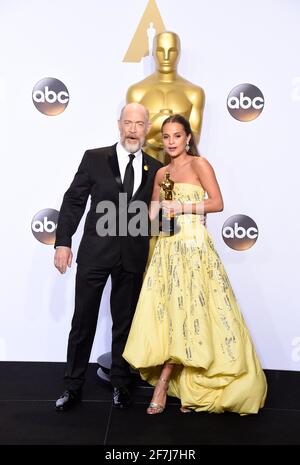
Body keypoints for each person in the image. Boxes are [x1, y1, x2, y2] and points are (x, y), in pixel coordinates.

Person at [123, 114, 267, 415]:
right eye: (166, 136)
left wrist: (183, 207)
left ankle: (163, 383)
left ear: (188, 137)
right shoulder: (161, 173)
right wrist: (147, 214)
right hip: (167, 248)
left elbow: (217, 203)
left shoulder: (200, 164)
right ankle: (186, 383)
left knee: (195, 311)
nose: (172, 141)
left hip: (195, 248)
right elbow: (153, 211)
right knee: (174, 315)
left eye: (177, 135)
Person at [54, 103, 163, 411]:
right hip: (95, 253)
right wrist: (63, 242)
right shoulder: (94, 158)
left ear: (147, 127)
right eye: (128, 122)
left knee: (125, 324)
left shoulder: (154, 168)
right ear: (119, 124)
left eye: (139, 124)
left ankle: (121, 383)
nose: (133, 129)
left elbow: (154, 214)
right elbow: (74, 200)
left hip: (132, 255)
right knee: (82, 322)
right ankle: (72, 386)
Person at [127, 31, 205, 163]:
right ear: (153, 53)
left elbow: (194, 137)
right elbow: (131, 136)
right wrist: (159, 124)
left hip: (180, 170)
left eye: (172, 51)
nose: (166, 57)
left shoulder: (194, 92)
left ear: (179, 53)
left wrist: (156, 133)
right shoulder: (137, 92)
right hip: (145, 169)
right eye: (160, 51)